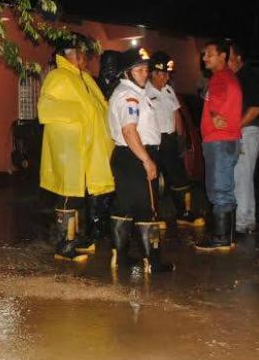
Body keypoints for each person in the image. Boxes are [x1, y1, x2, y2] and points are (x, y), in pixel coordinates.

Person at [38, 38, 115, 262]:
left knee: (79, 194)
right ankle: (63, 245)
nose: (85, 59)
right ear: (70, 54)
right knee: (68, 194)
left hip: (88, 148)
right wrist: (81, 113)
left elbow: (101, 108)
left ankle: (74, 239)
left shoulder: (86, 79)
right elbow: (45, 108)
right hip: (69, 148)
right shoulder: (58, 76)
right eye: (82, 54)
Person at [107, 51, 173, 274]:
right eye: (139, 70)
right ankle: (152, 261)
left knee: (124, 207)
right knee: (148, 207)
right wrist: (147, 160)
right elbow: (129, 130)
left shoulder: (130, 92)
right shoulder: (130, 96)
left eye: (146, 69)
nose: (145, 74)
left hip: (126, 156)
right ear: (127, 72)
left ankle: (121, 257)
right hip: (136, 155)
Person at [146, 51, 205, 227]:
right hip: (153, 141)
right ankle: (152, 217)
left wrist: (180, 136)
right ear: (154, 73)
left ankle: (184, 213)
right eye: (163, 74)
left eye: (168, 74)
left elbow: (176, 114)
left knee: (179, 178)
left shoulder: (169, 90)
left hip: (170, 140)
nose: (166, 78)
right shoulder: (144, 91)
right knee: (153, 182)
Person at [195, 39, 242, 251]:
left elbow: (217, 99)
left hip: (219, 140)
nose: (204, 58)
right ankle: (228, 236)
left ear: (222, 56)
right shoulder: (230, 77)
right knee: (226, 188)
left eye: (209, 54)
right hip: (228, 140)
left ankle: (221, 238)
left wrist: (214, 114)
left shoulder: (219, 78)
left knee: (218, 190)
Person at [228, 42, 259, 234]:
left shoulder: (248, 76)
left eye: (230, 55)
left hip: (247, 131)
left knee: (241, 176)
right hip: (245, 131)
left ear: (239, 58)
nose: (227, 59)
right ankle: (247, 220)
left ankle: (242, 222)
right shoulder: (237, 77)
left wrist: (236, 126)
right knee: (244, 177)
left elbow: (256, 108)